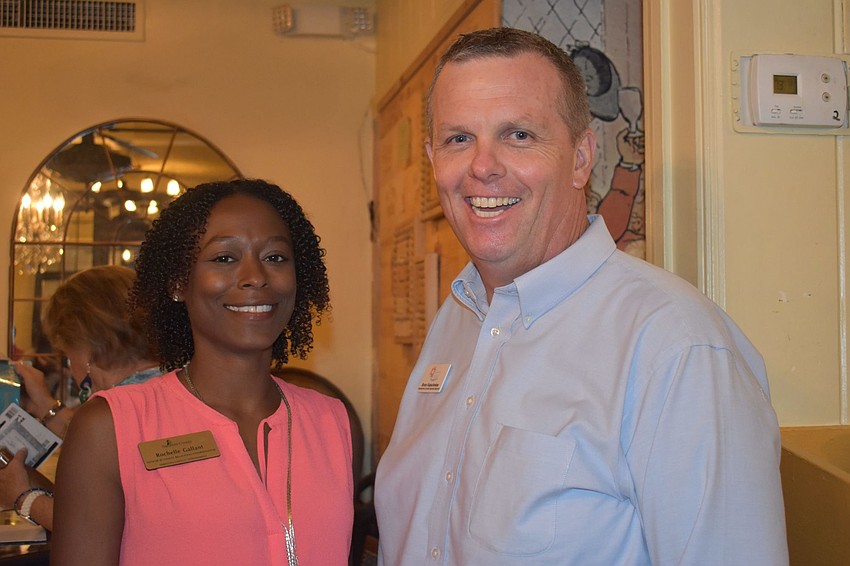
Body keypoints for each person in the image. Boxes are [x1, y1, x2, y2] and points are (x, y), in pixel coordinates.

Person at [375, 27, 788, 565]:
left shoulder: (676, 348)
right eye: (458, 139)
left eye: (518, 135)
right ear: (433, 160)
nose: (482, 166)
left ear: (581, 157)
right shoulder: (457, 320)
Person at [52, 179, 353, 565]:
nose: (255, 276)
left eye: (276, 257)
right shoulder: (111, 427)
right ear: (179, 283)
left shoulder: (330, 420)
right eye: (224, 258)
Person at [0, 265, 160, 532]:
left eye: (68, 353)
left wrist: (22, 497)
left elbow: (93, 529)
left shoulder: (110, 412)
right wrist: (48, 408)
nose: (71, 366)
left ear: (85, 349)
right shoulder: (177, 387)